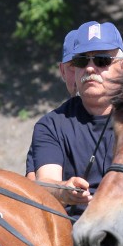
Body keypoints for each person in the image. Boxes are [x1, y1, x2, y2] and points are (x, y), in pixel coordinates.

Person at [27, 21, 123, 218]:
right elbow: (44, 183)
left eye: (101, 60)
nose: (90, 69)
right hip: (76, 234)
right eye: (82, 61)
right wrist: (65, 189)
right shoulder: (51, 125)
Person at [26, 29, 78, 181]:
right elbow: (33, 186)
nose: (85, 73)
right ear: (62, 71)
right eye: (74, 66)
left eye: (100, 62)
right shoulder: (49, 126)